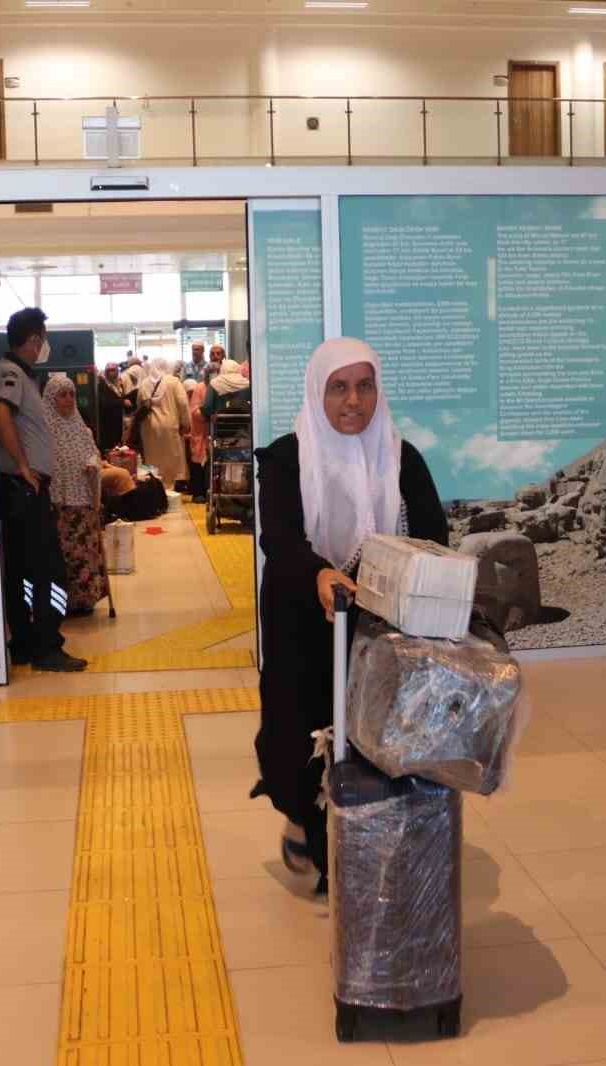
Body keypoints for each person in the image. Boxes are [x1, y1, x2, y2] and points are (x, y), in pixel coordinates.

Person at [250, 338, 447, 895]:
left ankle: (355, 851)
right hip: (301, 616)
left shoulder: (401, 456)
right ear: (319, 392)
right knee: (297, 737)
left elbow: (434, 534)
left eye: (364, 386)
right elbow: (280, 538)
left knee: (368, 740)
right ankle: (304, 818)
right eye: (339, 387)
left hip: (376, 625)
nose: (353, 400)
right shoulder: (287, 458)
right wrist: (317, 572)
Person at [0, 308, 87, 672]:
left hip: (21, 486)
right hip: (24, 487)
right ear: (33, 340)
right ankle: (47, 647)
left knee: (23, 569)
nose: (44, 346)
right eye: (43, 339)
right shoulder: (11, 374)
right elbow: (2, 414)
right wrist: (24, 466)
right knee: (47, 568)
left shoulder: (18, 375)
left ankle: (27, 644)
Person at [42, 373, 110, 616]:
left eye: (72, 394)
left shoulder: (82, 430)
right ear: (51, 398)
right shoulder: (44, 432)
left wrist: (93, 464)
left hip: (83, 500)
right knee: (65, 554)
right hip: (58, 504)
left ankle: (85, 599)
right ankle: (65, 602)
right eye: (63, 394)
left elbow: (94, 454)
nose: (69, 399)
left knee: (86, 551)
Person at [137, 359, 191, 489]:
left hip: (148, 427)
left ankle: (155, 490)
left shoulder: (144, 383)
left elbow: (139, 405)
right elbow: (183, 404)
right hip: (170, 425)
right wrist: (186, 424)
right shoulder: (173, 381)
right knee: (170, 460)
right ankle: (169, 489)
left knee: (151, 459)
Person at [186, 368, 210, 503]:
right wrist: (207, 414)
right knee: (198, 462)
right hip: (200, 431)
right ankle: (198, 493)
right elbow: (194, 410)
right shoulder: (199, 388)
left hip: (217, 431)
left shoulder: (221, 386)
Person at [97, 364, 126, 452]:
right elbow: (104, 403)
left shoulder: (119, 384)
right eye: (109, 370)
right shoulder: (102, 385)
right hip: (108, 425)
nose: (111, 373)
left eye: (113, 370)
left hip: (119, 423)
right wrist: (122, 402)